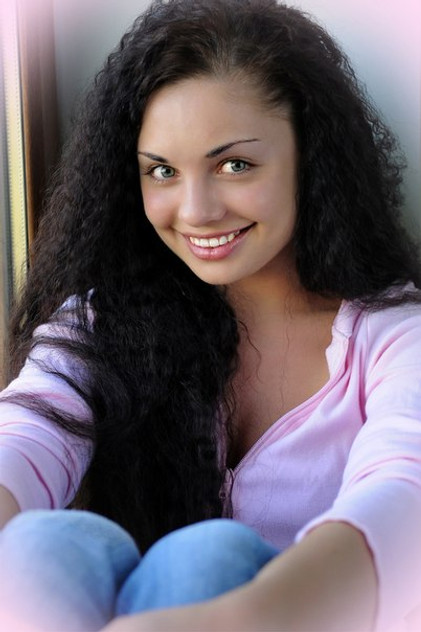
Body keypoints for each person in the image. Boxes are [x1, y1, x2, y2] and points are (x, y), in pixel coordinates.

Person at [0, 0, 420, 630]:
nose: (195, 210)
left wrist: (240, 617)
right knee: (43, 544)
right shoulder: (101, 323)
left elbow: (404, 495)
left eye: (234, 165)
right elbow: (25, 434)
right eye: (162, 171)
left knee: (207, 557)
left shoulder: (395, 338)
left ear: (312, 158)